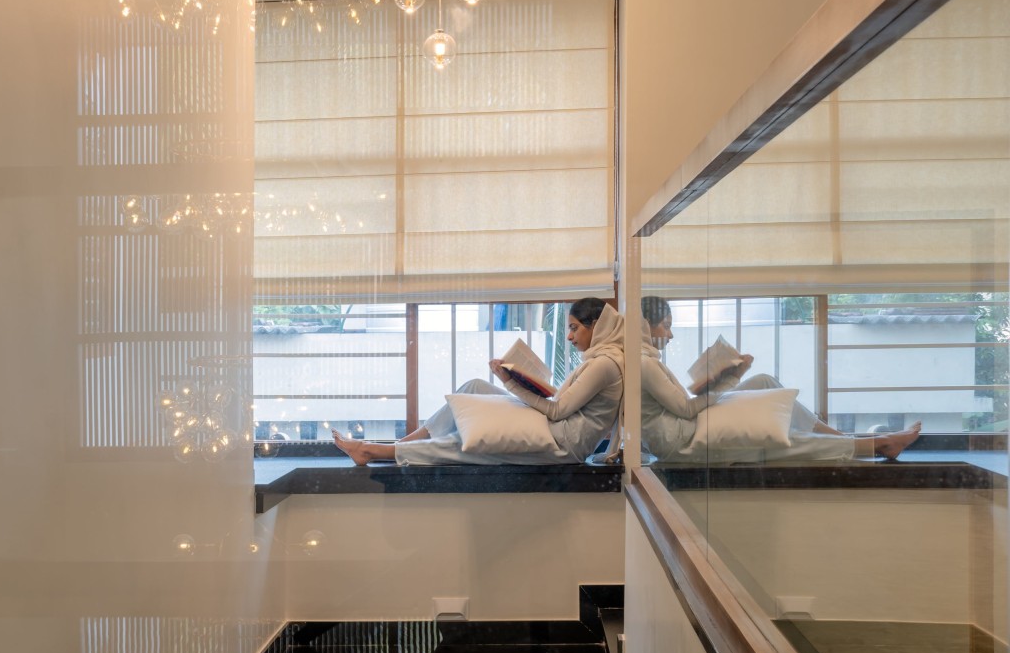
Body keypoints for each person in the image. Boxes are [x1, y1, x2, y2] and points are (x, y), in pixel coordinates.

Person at [333, 298, 625, 466]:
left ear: (596, 326)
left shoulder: (604, 365)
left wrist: (511, 383)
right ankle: (405, 442)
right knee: (475, 386)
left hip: (562, 443)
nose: (569, 337)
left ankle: (374, 451)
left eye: (574, 328)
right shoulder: (600, 359)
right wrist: (521, 381)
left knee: (472, 438)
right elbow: (562, 406)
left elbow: (558, 410)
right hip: (556, 427)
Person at [639, 296, 920, 462]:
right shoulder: (644, 363)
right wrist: (730, 379)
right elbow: (686, 409)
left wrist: (725, 376)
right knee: (774, 434)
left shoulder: (647, 359)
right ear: (645, 327)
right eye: (665, 326)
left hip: (685, 424)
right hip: (680, 441)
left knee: (764, 381)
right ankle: (872, 445)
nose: (670, 335)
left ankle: (839, 436)